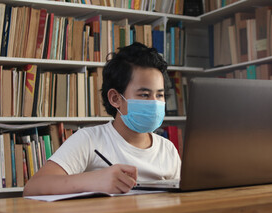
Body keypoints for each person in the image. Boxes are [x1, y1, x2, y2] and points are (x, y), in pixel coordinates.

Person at [23, 42, 181, 196]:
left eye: (159, 95)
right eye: (144, 95)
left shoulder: (167, 149)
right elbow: (34, 187)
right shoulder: (89, 140)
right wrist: (93, 180)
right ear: (115, 98)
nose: (154, 103)